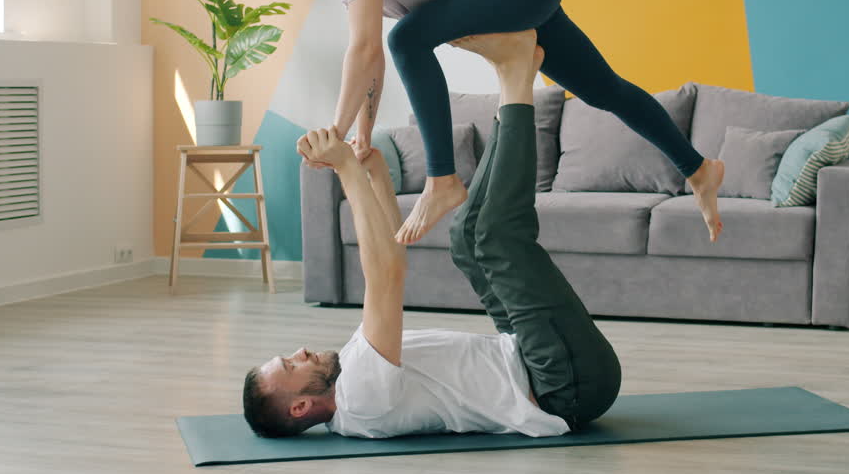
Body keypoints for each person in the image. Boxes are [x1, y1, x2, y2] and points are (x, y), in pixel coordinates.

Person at [216, 0, 725, 245]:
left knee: (409, 37)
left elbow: (367, 49)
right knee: (604, 90)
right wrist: (361, 138)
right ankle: (699, 168)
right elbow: (369, 61)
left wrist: (335, 131)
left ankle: (443, 180)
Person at [243, 30, 621, 438]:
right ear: (300, 406)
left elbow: (393, 256)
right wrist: (345, 171)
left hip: (537, 360)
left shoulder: (352, 379)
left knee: (468, 238)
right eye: (290, 366)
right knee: (496, 239)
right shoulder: (360, 398)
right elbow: (385, 278)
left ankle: (517, 79)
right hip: (564, 386)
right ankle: (514, 78)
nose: (298, 353)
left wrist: (376, 174)